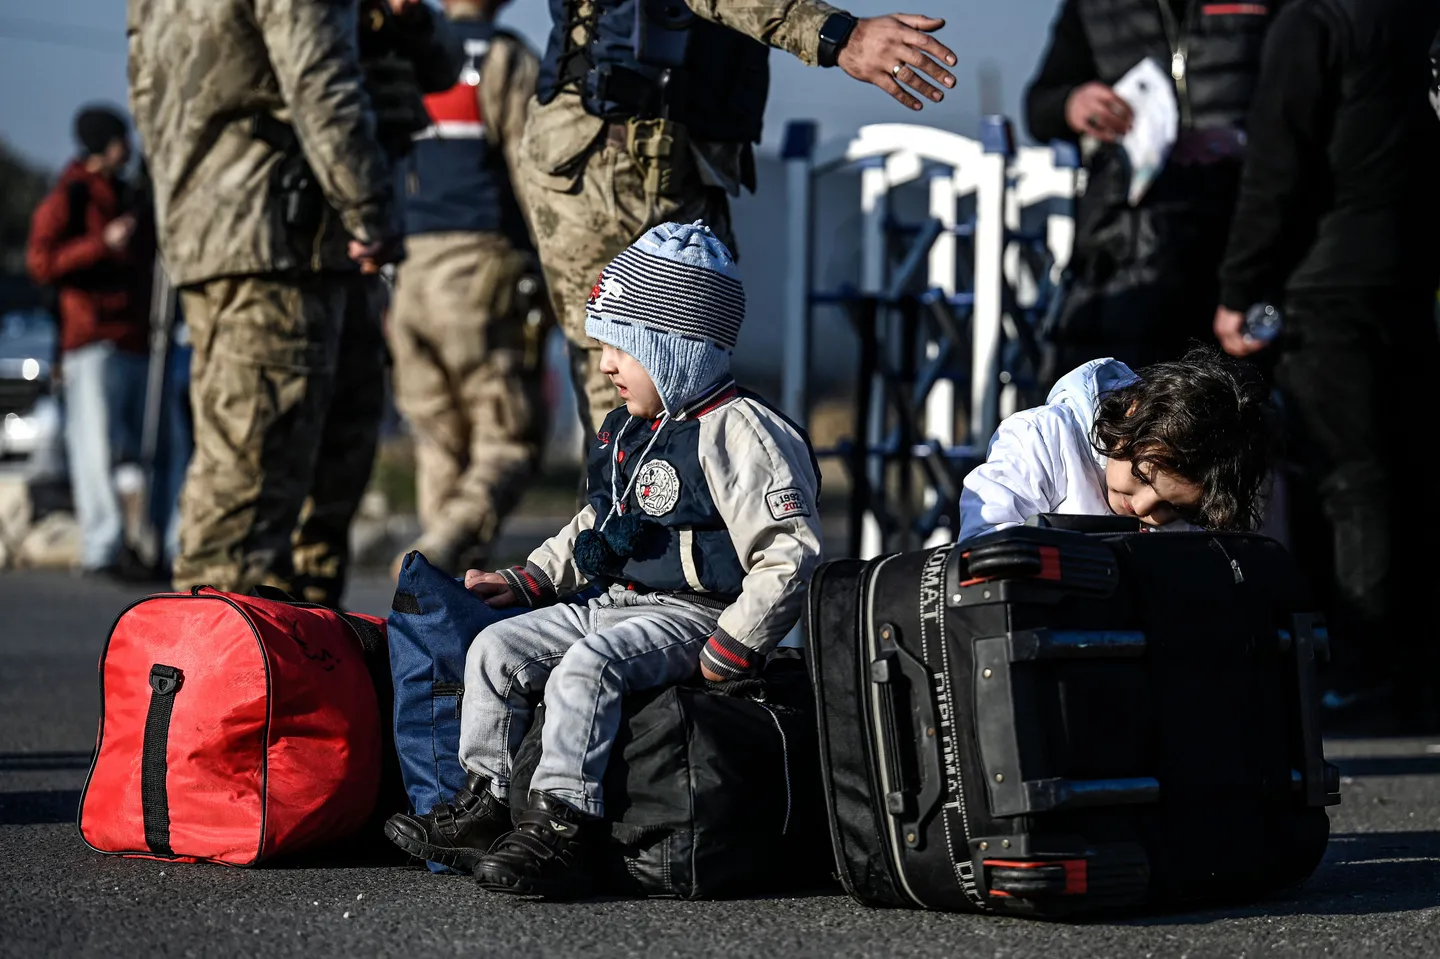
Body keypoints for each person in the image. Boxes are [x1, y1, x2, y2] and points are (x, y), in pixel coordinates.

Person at [382, 221, 823, 898]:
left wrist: (739, 642)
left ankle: (561, 823)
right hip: (614, 599)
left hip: (697, 612)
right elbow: (595, 522)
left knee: (592, 666)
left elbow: (788, 552)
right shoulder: (632, 432)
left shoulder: (740, 431)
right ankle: (487, 804)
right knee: (495, 650)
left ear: (677, 348)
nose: (606, 365)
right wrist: (528, 577)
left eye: (624, 347)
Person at [521, 0, 961, 441]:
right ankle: (628, 508)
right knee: (631, 402)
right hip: (608, 160)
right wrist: (839, 36)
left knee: (686, 395)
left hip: (681, 163)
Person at [1213, 0, 1440, 732]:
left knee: (1348, 481)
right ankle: (1407, 669)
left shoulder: (1311, 23)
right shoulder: (1412, 19)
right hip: (1404, 273)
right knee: (1404, 475)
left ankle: (1366, 673)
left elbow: (1278, 164)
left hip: (1323, 280)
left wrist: (1239, 289)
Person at [127, 0, 398, 599]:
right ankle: (219, 678)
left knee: (255, 474)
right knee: (247, 500)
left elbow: (148, 92)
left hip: (216, 230)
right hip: (273, 240)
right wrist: (372, 210)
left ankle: (280, 669)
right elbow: (319, 80)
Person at [286, 0, 462, 606]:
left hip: (360, 252)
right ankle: (259, 626)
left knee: (349, 439)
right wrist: (367, 217)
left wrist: (406, 16)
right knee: (285, 444)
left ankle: (313, 621)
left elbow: (443, 64)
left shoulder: (395, 19)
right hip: (298, 241)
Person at [1023, 0, 1282, 378]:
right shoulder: (1090, 8)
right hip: (1129, 245)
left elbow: (1302, 95)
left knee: (1236, 402)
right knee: (1124, 403)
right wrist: (1072, 104)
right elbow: (1038, 107)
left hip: (1241, 235)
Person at [386, 0, 549, 578]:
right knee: (508, 441)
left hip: (407, 271)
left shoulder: (401, 55)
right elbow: (535, 171)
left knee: (439, 440)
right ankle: (443, 548)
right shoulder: (503, 58)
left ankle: (436, 592)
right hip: (481, 264)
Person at [958, 347, 1274, 544]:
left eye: (1171, 507)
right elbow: (983, 539)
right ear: (1132, 413)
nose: (1142, 507)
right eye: (1143, 477)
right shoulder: (1044, 438)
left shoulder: (1194, 510)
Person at [25, 105, 155, 581]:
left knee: (146, 447)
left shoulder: (127, 192)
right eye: (120, 139)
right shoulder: (72, 194)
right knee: (94, 447)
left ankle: (148, 541)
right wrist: (103, 243)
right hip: (90, 338)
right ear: (103, 143)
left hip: (135, 338)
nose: (128, 147)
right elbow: (41, 261)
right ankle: (102, 546)